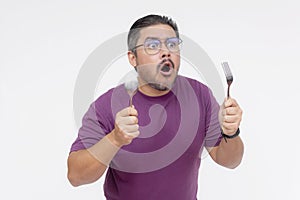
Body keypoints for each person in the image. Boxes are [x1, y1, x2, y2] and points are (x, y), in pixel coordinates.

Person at [67, 14, 244, 200]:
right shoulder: (106, 105)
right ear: (132, 58)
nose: (166, 52)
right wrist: (115, 138)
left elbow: (230, 161)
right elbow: (76, 176)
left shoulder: (200, 95)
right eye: (152, 46)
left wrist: (231, 132)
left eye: (172, 44)